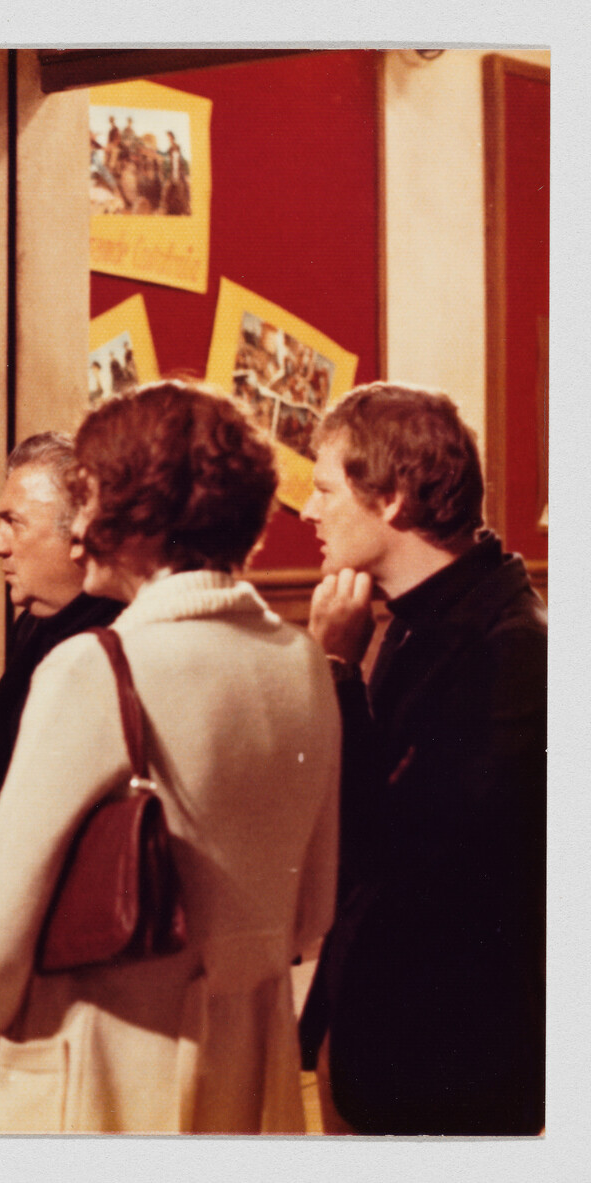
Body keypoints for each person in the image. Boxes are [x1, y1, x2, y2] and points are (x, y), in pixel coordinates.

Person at [0, 381, 340, 1132]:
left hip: (100, 1074)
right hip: (248, 1075)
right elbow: (311, 912)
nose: (81, 527)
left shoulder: (95, 667)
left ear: (139, 518)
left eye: (93, 498)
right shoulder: (302, 661)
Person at [296, 383, 546, 1135]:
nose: (307, 511)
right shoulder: (417, 616)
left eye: (323, 488)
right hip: (384, 1034)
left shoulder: (512, 647)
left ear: (395, 498)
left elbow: (403, 849)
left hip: (447, 1060)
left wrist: (336, 671)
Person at [0, 432, 122, 1131]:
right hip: (10, 959)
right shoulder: (37, 627)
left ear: (79, 533)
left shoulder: (104, 645)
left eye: (13, 521)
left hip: (60, 985)